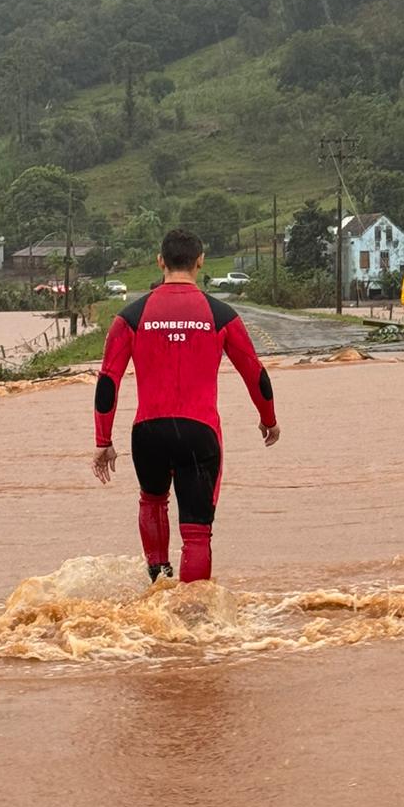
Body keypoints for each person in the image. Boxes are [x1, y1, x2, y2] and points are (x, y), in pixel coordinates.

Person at [91, 227, 280, 584]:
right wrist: (268, 419)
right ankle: (193, 620)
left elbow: (107, 382)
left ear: (160, 261)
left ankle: (157, 588)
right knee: (196, 533)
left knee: (152, 501)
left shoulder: (130, 316)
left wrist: (104, 441)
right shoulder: (221, 314)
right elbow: (255, 373)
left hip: (147, 432)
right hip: (200, 433)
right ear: (200, 261)